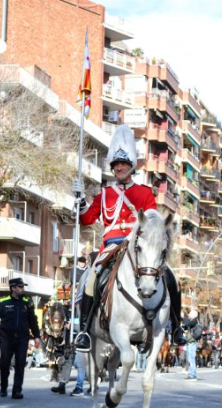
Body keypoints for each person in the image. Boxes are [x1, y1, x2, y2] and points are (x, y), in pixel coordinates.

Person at [72, 124, 184, 351]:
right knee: (91, 278)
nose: (120, 168)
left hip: (137, 244)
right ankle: (84, 330)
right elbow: (86, 219)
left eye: (124, 164)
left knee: (171, 277)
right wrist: (80, 201)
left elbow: (152, 220)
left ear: (131, 166)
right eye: (116, 165)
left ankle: (177, 325)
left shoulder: (143, 192)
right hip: (111, 244)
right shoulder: (105, 194)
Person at [0, 277, 40, 399]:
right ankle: (3, 387)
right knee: (5, 363)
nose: (22, 289)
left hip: (22, 337)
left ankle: (17, 390)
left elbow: (33, 320)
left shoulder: (27, 302)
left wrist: (36, 336)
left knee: (20, 363)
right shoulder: (3, 301)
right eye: (20, 287)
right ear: (13, 288)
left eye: (23, 287)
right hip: (6, 337)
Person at [183, 310, 202, 380]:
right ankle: (192, 373)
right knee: (190, 358)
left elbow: (186, 324)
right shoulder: (194, 321)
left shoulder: (194, 321)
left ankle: (192, 374)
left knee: (191, 358)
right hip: (190, 342)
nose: (189, 315)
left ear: (194, 315)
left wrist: (186, 321)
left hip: (192, 342)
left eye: (190, 314)